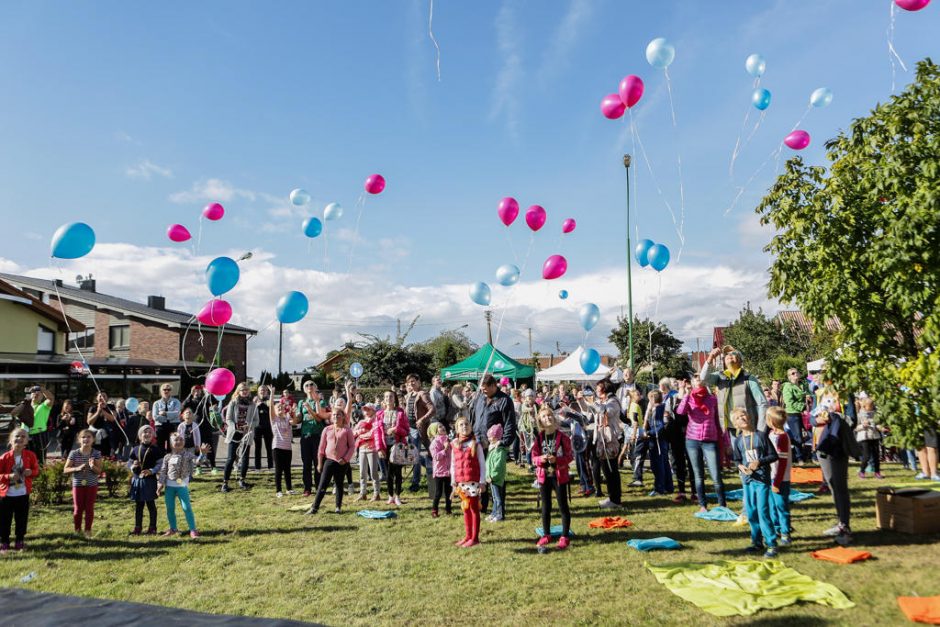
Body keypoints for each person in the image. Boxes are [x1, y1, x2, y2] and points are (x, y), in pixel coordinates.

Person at [731, 407, 779, 559]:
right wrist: (740, 466)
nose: (742, 419)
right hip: (747, 481)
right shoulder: (738, 441)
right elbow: (737, 459)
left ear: (749, 417)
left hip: (762, 480)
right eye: (738, 418)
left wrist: (760, 462)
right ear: (736, 424)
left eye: (743, 415)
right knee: (751, 512)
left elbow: (774, 456)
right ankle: (756, 542)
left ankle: (771, 544)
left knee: (763, 511)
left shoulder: (761, 436)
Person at [677, 377, 726, 513]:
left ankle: (722, 505)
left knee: (715, 475)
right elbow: (680, 412)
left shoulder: (712, 399)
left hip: (710, 440)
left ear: (704, 383)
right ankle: (703, 505)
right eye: (695, 381)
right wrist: (686, 395)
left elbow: (719, 420)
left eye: (700, 380)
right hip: (692, 440)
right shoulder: (690, 398)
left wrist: (725, 439)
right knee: (698, 475)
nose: (698, 382)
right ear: (692, 384)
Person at [814, 407, 858, 546]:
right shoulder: (820, 392)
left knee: (840, 487)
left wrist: (834, 417)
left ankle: (845, 525)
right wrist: (818, 420)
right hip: (821, 445)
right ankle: (841, 523)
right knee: (832, 485)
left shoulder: (843, 393)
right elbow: (811, 419)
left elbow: (852, 420)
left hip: (837, 446)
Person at [532, 407, 574, 551]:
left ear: (554, 418)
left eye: (549, 415)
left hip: (559, 476)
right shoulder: (539, 438)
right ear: (540, 421)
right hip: (544, 476)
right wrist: (540, 459)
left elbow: (570, 456)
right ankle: (546, 534)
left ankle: (564, 536)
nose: (547, 418)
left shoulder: (562, 437)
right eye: (544, 416)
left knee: (563, 506)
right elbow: (533, 457)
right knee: (546, 506)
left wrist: (557, 460)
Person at [701, 346, 769, 432]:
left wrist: (761, 430)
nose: (729, 355)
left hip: (748, 428)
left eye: (733, 353)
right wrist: (710, 357)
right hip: (729, 429)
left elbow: (762, 404)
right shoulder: (720, 377)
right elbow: (703, 378)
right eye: (726, 354)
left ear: (740, 360)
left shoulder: (748, 378)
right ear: (724, 361)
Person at [307, 407, 355, 515]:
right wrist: (319, 463)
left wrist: (345, 459)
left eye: (338, 415)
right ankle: (315, 507)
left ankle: (338, 507)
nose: (336, 416)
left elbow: (352, 447)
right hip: (329, 461)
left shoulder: (347, 430)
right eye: (333, 415)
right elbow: (321, 447)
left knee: (339, 484)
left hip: (342, 462)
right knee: (322, 484)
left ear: (343, 417)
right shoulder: (327, 429)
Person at [157, 433, 206, 538]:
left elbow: (198, 462)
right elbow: (163, 471)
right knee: (170, 508)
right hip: (169, 487)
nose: (178, 442)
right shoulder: (167, 457)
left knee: (186, 507)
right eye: (176, 440)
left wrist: (202, 454)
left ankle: (193, 530)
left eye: (180, 439)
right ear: (171, 443)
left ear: (184, 442)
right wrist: (160, 485)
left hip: (182, 486)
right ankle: (173, 529)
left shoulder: (188, 454)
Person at [0, 428, 39, 553]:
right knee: (5, 519)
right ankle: (4, 542)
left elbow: (36, 471)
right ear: (11, 440)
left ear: (26, 441)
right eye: (17, 436)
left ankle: (19, 541)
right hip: (6, 495)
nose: (20, 438)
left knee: (21, 519)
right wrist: (8, 476)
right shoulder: (4, 457)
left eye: (23, 436)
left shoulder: (30, 456)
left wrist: (30, 472)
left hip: (22, 494)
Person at [450, 415, 486, 548]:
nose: (464, 427)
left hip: (473, 481)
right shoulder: (454, 444)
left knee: (474, 508)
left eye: (466, 424)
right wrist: (453, 481)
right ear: (457, 429)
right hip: (461, 482)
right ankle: (467, 535)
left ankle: (475, 538)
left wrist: (482, 481)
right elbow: (453, 464)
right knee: (465, 508)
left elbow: (482, 463)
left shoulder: (475, 444)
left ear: (471, 427)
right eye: (461, 425)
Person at [63, 429, 102, 537]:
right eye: (83, 437)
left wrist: (92, 466)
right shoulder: (74, 453)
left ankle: (88, 531)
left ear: (93, 440)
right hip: (78, 485)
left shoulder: (96, 453)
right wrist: (76, 468)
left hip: (92, 485)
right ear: (79, 440)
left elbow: (99, 471)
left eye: (89, 437)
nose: (86, 439)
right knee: (78, 509)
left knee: (89, 508)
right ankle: (77, 530)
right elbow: (65, 469)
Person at [221, 382, 258, 493]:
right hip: (234, 433)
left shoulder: (253, 405)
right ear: (238, 391)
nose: (244, 391)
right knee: (231, 457)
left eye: (246, 389)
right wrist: (234, 425)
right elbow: (228, 419)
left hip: (247, 433)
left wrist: (249, 425)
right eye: (242, 390)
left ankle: (242, 480)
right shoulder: (233, 402)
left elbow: (256, 421)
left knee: (245, 457)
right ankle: (225, 482)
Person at [295, 381, 331, 497]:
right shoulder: (301, 402)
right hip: (305, 435)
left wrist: (310, 409)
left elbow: (320, 419)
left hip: (317, 436)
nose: (309, 387)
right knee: (306, 463)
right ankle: (307, 488)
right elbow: (298, 419)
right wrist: (292, 415)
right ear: (304, 389)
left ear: (316, 387)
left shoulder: (321, 401)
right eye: (306, 385)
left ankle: (319, 487)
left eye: (311, 385)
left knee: (318, 462)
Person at [593, 380, 624, 509]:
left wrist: (593, 404)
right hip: (602, 439)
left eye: (598, 388)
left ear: (604, 389)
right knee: (606, 469)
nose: (596, 390)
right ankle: (612, 497)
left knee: (611, 470)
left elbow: (607, 412)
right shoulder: (602, 402)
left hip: (611, 440)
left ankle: (615, 500)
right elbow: (593, 413)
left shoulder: (613, 401)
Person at [128, 425, 162, 536]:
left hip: (150, 481)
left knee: (150, 504)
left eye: (149, 432)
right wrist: (133, 466)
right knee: (139, 506)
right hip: (137, 480)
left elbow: (160, 464)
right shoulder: (135, 449)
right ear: (140, 435)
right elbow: (129, 462)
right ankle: (138, 527)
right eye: (144, 432)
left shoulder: (156, 449)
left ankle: (153, 527)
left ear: (152, 435)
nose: (147, 434)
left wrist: (152, 471)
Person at [377, 390, 409, 506]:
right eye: (386, 396)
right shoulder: (379, 414)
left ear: (394, 399)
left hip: (398, 445)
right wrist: (379, 448)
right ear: (384, 399)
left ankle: (397, 496)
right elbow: (376, 434)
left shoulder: (400, 413)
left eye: (391, 396)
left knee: (398, 472)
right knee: (388, 472)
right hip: (385, 446)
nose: (388, 398)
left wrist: (396, 429)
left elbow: (406, 431)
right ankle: (390, 496)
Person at [404, 374, 435, 492]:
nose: (411, 384)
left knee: (415, 456)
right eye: (409, 382)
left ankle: (415, 483)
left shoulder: (423, 394)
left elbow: (432, 409)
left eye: (413, 381)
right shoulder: (409, 395)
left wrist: (422, 419)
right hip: (410, 429)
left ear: (418, 381)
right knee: (413, 456)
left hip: (419, 429)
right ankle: (429, 468)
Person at [661, 378, 690, 503]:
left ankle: (695, 492)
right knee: (678, 464)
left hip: (691, 434)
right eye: (679, 382)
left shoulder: (693, 398)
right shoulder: (671, 399)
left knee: (692, 463)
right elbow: (666, 416)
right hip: (675, 435)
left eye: (685, 382)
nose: (682, 384)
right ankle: (682, 491)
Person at [766, 408, 792, 545]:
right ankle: (777, 529)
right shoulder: (772, 433)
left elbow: (782, 463)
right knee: (773, 506)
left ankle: (786, 532)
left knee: (782, 507)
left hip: (780, 478)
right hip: (771, 476)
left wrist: (777, 482)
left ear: (771, 421)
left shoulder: (782, 437)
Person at [643, 390, 673, 497]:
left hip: (657, 441)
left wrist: (648, 433)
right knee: (664, 464)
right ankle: (668, 486)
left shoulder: (657, 410)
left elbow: (659, 426)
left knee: (657, 465)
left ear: (652, 399)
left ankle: (659, 488)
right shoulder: (662, 408)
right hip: (661, 440)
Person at [182, 385, 218, 473]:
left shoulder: (205, 399)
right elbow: (183, 405)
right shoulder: (191, 401)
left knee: (209, 447)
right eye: (194, 391)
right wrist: (190, 395)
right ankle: (198, 467)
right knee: (197, 446)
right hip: (195, 426)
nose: (197, 392)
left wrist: (208, 392)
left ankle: (213, 467)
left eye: (198, 391)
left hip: (206, 426)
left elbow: (214, 402)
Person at [782, 368, 812, 465]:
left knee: (809, 434)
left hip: (803, 414)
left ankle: (801, 453)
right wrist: (802, 407)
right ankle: (799, 458)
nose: (795, 374)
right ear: (789, 377)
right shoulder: (787, 387)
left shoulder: (803, 384)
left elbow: (809, 394)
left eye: (796, 372)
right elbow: (789, 402)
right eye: (792, 373)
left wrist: (808, 397)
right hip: (792, 414)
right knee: (798, 437)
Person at [353, 403, 381, 502]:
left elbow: (373, 434)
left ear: (373, 410)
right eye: (365, 410)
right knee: (362, 473)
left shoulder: (376, 421)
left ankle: (376, 493)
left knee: (373, 472)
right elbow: (353, 432)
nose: (366, 412)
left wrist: (362, 434)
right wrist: (362, 432)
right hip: (362, 449)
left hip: (372, 449)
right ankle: (362, 493)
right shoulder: (361, 422)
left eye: (369, 410)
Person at [272, 392, 296, 497]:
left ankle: (289, 489)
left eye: (282, 408)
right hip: (277, 447)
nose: (280, 410)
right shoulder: (274, 419)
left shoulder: (286, 418)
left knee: (287, 469)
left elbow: (294, 422)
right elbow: (270, 408)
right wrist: (272, 394)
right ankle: (278, 490)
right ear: (275, 411)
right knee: (278, 469)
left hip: (287, 448)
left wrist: (293, 413)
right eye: (278, 408)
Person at [623, 388, 646, 488]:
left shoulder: (633, 406)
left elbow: (635, 421)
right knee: (636, 456)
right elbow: (635, 421)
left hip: (635, 432)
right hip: (636, 432)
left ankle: (638, 478)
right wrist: (634, 434)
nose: (639, 395)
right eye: (637, 394)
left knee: (636, 456)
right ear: (633, 396)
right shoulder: (635, 406)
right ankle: (637, 477)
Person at [855, 397, 884, 479]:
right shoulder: (859, 415)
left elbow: (877, 424)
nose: (872, 406)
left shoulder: (875, 414)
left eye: (872, 405)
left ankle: (877, 472)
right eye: (870, 405)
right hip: (864, 438)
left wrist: (881, 428)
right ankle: (862, 471)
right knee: (866, 456)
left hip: (874, 436)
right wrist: (862, 426)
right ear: (864, 406)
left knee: (876, 456)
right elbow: (855, 428)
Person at [428, 422, 452, 517]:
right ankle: (434, 510)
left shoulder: (448, 440)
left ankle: (448, 509)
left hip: (448, 471)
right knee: (438, 492)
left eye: (443, 425)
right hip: (439, 472)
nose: (443, 427)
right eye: (440, 427)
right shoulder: (435, 443)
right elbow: (436, 456)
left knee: (448, 492)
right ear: (435, 431)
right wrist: (444, 450)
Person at [485, 424, 508, 523]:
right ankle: (494, 513)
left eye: (490, 437)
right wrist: (487, 475)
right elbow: (488, 463)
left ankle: (499, 514)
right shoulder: (492, 449)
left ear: (496, 437)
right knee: (494, 498)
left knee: (498, 499)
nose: (489, 439)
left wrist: (492, 476)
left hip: (496, 478)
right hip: (490, 477)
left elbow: (498, 466)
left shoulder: (499, 450)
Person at [26, 386, 54, 466]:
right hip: (26, 435)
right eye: (34, 392)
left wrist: (41, 389)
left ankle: (41, 476)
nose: (36, 394)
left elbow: (51, 398)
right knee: (27, 458)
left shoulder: (44, 406)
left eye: (39, 393)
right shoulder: (25, 407)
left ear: (42, 397)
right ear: (30, 395)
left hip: (40, 435)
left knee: (40, 459)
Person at [152, 384, 181, 453]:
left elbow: (177, 413)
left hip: (173, 426)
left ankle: (171, 461)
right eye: (164, 389)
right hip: (160, 427)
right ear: (161, 391)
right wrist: (169, 418)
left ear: (171, 391)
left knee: (172, 445)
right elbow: (155, 417)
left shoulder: (176, 402)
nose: (166, 391)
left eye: (169, 389)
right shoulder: (156, 403)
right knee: (160, 445)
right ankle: (160, 461)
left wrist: (165, 413)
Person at [86, 391, 116, 458]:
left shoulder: (111, 407)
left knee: (105, 455)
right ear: (96, 398)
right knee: (93, 454)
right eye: (100, 396)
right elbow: (89, 422)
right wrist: (98, 411)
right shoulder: (93, 407)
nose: (102, 397)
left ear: (107, 398)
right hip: (94, 435)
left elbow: (113, 419)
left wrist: (102, 410)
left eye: (104, 396)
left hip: (107, 436)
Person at [252, 385, 274, 472]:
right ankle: (257, 467)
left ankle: (270, 466)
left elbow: (272, 408)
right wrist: (256, 405)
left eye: (264, 390)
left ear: (267, 392)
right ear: (258, 391)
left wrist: (265, 403)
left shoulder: (269, 400)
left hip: (268, 427)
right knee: (258, 448)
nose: (263, 391)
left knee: (269, 447)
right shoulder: (255, 400)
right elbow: (251, 413)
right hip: (257, 427)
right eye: (261, 390)